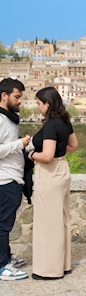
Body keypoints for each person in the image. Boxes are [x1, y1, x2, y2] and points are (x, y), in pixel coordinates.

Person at [27, 87, 78, 280]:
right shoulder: (65, 122)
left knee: (48, 223)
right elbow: (73, 146)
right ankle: (64, 265)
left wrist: (31, 154)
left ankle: (49, 270)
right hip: (63, 170)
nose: (38, 107)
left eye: (39, 103)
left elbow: (47, 156)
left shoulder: (49, 126)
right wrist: (57, 148)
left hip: (49, 174)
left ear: (47, 104)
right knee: (62, 219)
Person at [0, 78, 31, 281]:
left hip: (12, 179)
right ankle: (3, 266)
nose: (20, 101)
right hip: (5, 180)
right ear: (4, 96)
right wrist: (19, 144)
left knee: (5, 223)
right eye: (17, 97)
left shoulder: (8, 119)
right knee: (3, 225)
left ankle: (6, 258)